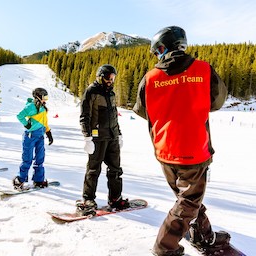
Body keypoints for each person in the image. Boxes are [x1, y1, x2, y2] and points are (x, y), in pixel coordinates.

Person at [133, 26, 230, 256]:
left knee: (186, 199)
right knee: (188, 202)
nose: (156, 57)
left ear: (163, 48)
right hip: (194, 151)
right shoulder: (203, 70)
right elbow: (217, 101)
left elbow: (141, 110)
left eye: (157, 52)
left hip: (165, 152)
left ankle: (202, 233)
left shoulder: (150, 78)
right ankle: (164, 247)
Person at [78, 64, 129, 216]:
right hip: (97, 138)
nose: (110, 81)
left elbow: (114, 116)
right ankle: (88, 199)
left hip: (112, 137)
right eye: (108, 78)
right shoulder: (91, 92)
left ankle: (115, 198)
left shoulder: (111, 94)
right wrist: (87, 137)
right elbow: (84, 116)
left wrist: (118, 134)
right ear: (100, 77)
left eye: (113, 78)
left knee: (115, 170)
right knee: (94, 169)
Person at [13, 87, 53, 189]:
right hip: (30, 136)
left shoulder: (43, 108)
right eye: (44, 97)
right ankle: (20, 180)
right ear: (38, 96)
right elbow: (20, 116)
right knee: (28, 159)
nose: (45, 99)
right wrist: (27, 125)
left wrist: (48, 133)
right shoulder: (31, 106)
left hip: (40, 136)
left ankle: (38, 180)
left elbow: (45, 122)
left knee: (40, 158)